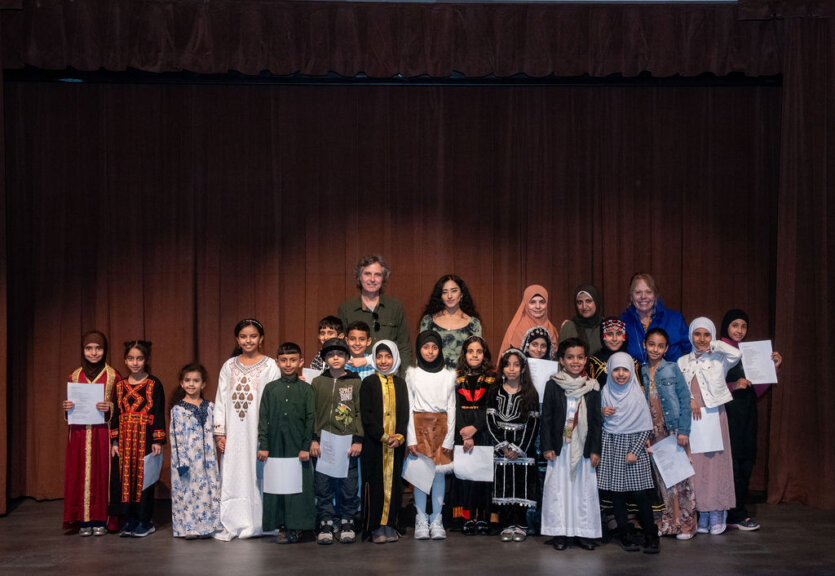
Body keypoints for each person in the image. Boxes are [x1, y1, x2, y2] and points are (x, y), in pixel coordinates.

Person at [213, 318, 281, 541]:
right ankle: (234, 520)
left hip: (259, 432)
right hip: (234, 433)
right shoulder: (229, 365)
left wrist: (268, 434)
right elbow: (221, 400)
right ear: (237, 339)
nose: (248, 340)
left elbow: (274, 402)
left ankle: (262, 522)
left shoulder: (270, 365)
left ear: (261, 338)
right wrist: (220, 432)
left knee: (258, 476)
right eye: (243, 336)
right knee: (234, 473)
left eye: (253, 336)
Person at [678, 317, 741, 536]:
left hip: (714, 416)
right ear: (690, 336)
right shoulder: (682, 361)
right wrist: (689, 400)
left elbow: (737, 354)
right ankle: (702, 512)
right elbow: (679, 388)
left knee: (716, 465)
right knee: (697, 466)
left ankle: (716, 511)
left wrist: (713, 345)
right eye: (697, 334)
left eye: (707, 334)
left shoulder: (720, 358)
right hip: (692, 419)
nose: (702, 339)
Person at [720, 309, 783, 532]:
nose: (739, 330)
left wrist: (772, 368)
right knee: (732, 463)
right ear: (726, 326)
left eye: (743, 326)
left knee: (746, 460)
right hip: (726, 413)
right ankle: (732, 513)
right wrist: (733, 386)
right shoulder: (718, 349)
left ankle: (736, 511)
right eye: (735, 325)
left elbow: (757, 390)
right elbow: (707, 385)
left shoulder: (749, 351)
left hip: (747, 413)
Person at [540, 338, 603, 551]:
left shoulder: (592, 386)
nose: (575, 361)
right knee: (559, 489)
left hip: (583, 447)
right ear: (561, 360)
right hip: (561, 448)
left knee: (583, 490)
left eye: (580, 357)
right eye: (570, 357)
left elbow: (596, 421)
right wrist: (547, 446)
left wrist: (595, 450)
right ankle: (560, 532)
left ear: (585, 359)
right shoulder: (553, 384)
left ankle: (583, 533)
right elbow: (546, 418)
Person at [598, 352, 659, 554]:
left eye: (625, 370)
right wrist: (601, 412)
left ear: (631, 372)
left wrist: (634, 451)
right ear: (610, 371)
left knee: (641, 495)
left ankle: (651, 535)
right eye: (616, 369)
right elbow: (595, 421)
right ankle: (625, 534)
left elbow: (645, 427)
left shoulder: (636, 394)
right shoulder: (605, 392)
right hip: (612, 446)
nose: (621, 374)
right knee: (617, 496)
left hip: (635, 450)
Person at [62, 330, 120, 536]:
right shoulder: (74, 375)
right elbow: (71, 411)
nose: (94, 353)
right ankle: (83, 520)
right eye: (89, 348)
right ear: (83, 350)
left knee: (101, 474)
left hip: (102, 433)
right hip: (79, 434)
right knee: (80, 473)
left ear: (105, 350)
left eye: (98, 348)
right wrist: (67, 407)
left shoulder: (113, 375)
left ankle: (100, 519)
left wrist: (109, 408)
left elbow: (120, 409)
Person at [258, 342, 316, 544]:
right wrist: (263, 444)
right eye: (284, 360)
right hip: (275, 444)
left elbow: (311, 419)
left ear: (301, 361)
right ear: (277, 362)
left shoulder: (307, 390)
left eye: (293, 360)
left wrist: (305, 446)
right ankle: (281, 526)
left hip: (297, 444)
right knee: (277, 485)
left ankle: (298, 526)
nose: (288, 364)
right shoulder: (270, 389)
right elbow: (263, 418)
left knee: (299, 486)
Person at [641, 328, 696, 540]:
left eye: (660, 345)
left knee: (681, 480)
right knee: (662, 481)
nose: (655, 349)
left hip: (672, 430)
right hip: (653, 433)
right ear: (645, 345)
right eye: (651, 344)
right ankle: (668, 524)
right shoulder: (642, 371)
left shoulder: (672, 369)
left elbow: (684, 401)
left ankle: (686, 526)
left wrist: (684, 431)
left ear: (666, 348)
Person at [309, 338, 364, 545]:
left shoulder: (355, 382)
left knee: (349, 484)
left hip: (348, 442)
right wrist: (314, 439)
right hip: (323, 442)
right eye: (331, 355)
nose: (335, 358)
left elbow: (359, 412)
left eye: (340, 355)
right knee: (323, 484)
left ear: (347, 358)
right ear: (324, 358)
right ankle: (326, 521)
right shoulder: (318, 383)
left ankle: (347, 520)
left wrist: (358, 439)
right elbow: (312, 413)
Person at [110, 340, 166, 538]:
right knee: (125, 481)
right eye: (131, 358)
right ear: (125, 360)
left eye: (139, 358)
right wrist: (114, 441)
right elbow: (116, 414)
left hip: (145, 438)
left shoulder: (154, 384)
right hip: (125, 440)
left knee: (144, 480)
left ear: (146, 360)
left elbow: (158, 412)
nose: (135, 362)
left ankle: (145, 520)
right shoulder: (120, 386)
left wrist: (157, 440)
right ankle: (130, 519)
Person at [406, 330, 457, 540]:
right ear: (419, 349)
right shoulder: (413, 374)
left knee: (438, 475)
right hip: (418, 426)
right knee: (419, 476)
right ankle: (421, 517)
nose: (430, 351)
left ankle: (437, 518)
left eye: (434, 347)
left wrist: (449, 438)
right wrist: (411, 438)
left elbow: (452, 407)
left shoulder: (448, 376)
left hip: (441, 427)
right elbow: (409, 407)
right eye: (426, 347)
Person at [486, 348, 540, 542]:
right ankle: (507, 524)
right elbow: (490, 421)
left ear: (523, 368)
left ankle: (521, 524)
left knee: (521, 486)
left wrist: (518, 449)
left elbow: (533, 424)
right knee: (504, 486)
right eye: (507, 364)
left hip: (522, 447)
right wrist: (503, 447)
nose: (512, 369)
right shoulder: (495, 390)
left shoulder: (530, 393)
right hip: (502, 446)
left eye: (516, 365)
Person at [360, 340, 409, 544]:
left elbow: (404, 412)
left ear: (395, 357)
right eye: (379, 356)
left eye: (388, 356)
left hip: (395, 445)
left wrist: (399, 437)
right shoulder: (369, 383)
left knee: (394, 485)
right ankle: (375, 527)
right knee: (376, 484)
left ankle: (390, 524)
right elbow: (367, 415)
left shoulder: (400, 383)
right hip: (374, 444)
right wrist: (382, 436)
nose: (383, 361)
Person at [449, 336, 496, 535]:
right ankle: (465, 518)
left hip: (483, 431)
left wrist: (475, 429)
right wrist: (465, 433)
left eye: (479, 351)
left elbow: (491, 407)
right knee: (464, 476)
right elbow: (454, 406)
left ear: (484, 354)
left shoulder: (493, 377)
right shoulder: (455, 376)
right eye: (470, 351)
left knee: (482, 476)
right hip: (461, 432)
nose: (475, 355)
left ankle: (482, 517)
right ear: (464, 354)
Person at [169, 363, 220, 539]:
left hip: (208, 460)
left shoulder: (211, 407)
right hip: (187, 460)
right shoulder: (178, 410)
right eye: (187, 380)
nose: (191, 384)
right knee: (188, 491)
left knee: (208, 489)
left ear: (203, 384)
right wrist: (181, 461)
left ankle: (209, 526)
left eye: (196, 381)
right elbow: (175, 437)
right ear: (182, 383)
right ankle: (189, 527)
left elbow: (217, 431)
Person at [339, 254, 411, 371]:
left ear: (383, 278)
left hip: (388, 376)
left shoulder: (395, 307)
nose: (372, 279)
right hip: (356, 375)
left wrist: (404, 379)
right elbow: (341, 347)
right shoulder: (346, 309)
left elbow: (404, 347)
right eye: (367, 274)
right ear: (359, 277)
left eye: (377, 275)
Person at [621, 273, 691, 364]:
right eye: (638, 292)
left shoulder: (675, 319)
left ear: (655, 295)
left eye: (648, 292)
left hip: (671, 376)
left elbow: (692, 351)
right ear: (631, 296)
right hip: (635, 377)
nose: (643, 296)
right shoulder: (623, 323)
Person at [419, 274, 483, 370]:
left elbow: (477, 356)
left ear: (461, 294)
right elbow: (421, 354)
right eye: (444, 292)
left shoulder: (473, 324)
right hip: (434, 377)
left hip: (462, 379)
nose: (449, 296)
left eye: (454, 291)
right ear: (440, 296)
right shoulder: (428, 321)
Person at [500, 285, 559, 354]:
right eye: (532, 302)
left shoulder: (552, 330)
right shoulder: (517, 330)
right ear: (526, 304)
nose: (538, 306)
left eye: (542, 302)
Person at [588, 318, 640, 387]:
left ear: (624, 336)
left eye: (619, 334)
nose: (614, 339)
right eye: (609, 334)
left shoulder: (632, 362)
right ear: (602, 336)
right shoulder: (594, 363)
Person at [558, 284, 604, 356]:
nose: (584, 306)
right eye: (580, 302)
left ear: (596, 302)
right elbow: (561, 356)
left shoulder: (605, 326)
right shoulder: (569, 327)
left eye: (588, 301)